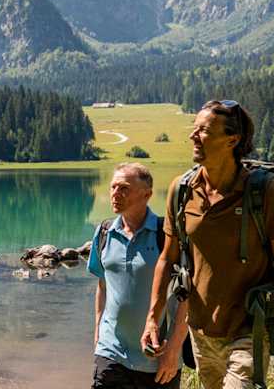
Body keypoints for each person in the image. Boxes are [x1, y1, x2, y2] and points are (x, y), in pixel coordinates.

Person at [140, 100, 274, 388]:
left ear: (232, 140)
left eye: (203, 131)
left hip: (249, 330)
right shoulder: (181, 190)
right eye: (194, 129)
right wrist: (153, 318)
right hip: (201, 334)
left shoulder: (264, 192)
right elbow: (167, 259)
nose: (193, 136)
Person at [89, 162, 187, 388]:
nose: (115, 193)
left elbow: (186, 297)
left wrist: (173, 350)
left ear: (147, 194)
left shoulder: (167, 236)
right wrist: (97, 335)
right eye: (113, 187)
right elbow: (103, 285)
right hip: (111, 354)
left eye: (124, 188)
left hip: (157, 359)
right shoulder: (104, 232)